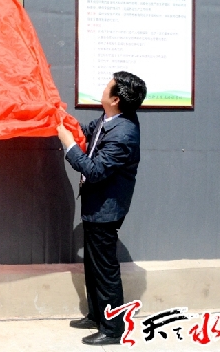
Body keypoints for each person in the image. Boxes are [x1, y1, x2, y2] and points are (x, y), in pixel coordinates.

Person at [56, 71, 147, 346]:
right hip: (96, 206)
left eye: (108, 86)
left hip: (106, 210)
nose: (103, 88)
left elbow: (94, 170)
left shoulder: (124, 133)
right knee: (94, 265)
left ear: (116, 99)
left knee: (105, 271)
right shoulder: (109, 119)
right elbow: (88, 133)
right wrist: (63, 120)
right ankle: (97, 315)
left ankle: (113, 329)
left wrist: (69, 145)